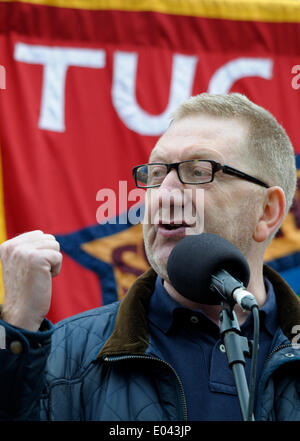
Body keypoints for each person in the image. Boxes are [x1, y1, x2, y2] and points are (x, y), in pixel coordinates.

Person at [0, 93, 299, 421]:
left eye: (199, 171)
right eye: (156, 174)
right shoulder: (64, 354)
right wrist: (16, 333)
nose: (164, 194)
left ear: (267, 212)